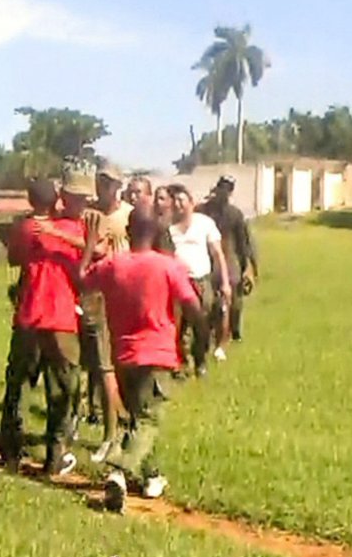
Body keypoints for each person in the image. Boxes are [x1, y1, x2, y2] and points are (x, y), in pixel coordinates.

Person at [79, 203, 204, 513]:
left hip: (123, 355)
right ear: (157, 231)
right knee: (149, 419)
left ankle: (153, 476)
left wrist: (91, 247)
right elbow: (191, 305)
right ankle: (119, 471)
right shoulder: (168, 266)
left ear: (128, 231)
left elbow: (81, 280)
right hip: (158, 353)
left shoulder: (112, 265)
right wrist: (201, 339)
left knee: (140, 418)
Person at [0, 177, 85, 477]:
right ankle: (55, 454)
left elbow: (13, 257)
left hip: (28, 315)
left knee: (18, 385)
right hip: (61, 318)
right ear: (58, 198)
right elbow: (93, 252)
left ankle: (11, 450)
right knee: (61, 388)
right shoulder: (71, 229)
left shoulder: (23, 229)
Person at [78, 166, 129, 464]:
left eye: (108, 183)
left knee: (108, 367)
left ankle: (112, 435)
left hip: (118, 294)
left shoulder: (128, 215)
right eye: (100, 182)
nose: (102, 187)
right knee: (93, 367)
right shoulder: (91, 214)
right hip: (92, 293)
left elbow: (95, 251)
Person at [167, 185, 230, 378]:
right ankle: (181, 364)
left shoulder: (205, 223)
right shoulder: (168, 228)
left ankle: (200, 360)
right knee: (178, 327)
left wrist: (225, 282)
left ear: (191, 203)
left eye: (182, 201)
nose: (178, 205)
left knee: (202, 324)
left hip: (201, 280)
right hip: (177, 283)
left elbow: (218, 254)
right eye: (175, 201)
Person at [200, 175, 258, 351]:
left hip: (231, 260)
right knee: (209, 301)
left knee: (234, 302)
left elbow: (244, 243)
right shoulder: (203, 211)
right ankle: (210, 334)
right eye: (222, 187)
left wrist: (251, 267)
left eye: (228, 188)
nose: (224, 191)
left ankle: (234, 331)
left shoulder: (235, 214)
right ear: (216, 188)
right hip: (208, 260)